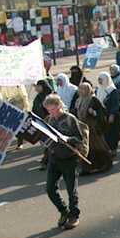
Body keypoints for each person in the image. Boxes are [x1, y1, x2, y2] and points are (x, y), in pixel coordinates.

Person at [44, 94, 86, 230]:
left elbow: (79, 139)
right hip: (54, 158)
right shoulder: (49, 119)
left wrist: (68, 139)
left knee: (71, 190)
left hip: (69, 158)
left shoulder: (70, 119)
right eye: (49, 110)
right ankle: (64, 211)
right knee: (50, 189)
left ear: (59, 106)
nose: (52, 113)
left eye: (54, 110)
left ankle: (74, 215)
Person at [73, 81, 113, 174]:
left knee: (97, 146)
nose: (82, 91)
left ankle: (104, 165)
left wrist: (94, 113)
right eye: (80, 89)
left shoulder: (93, 99)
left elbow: (102, 112)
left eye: (84, 89)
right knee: (85, 148)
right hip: (82, 127)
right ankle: (87, 168)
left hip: (93, 128)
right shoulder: (78, 100)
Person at [97, 71, 120, 156]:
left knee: (112, 134)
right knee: (105, 134)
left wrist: (112, 115)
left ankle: (113, 150)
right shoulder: (99, 90)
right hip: (102, 115)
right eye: (99, 79)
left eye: (101, 79)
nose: (100, 81)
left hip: (112, 116)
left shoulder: (114, 91)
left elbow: (116, 104)